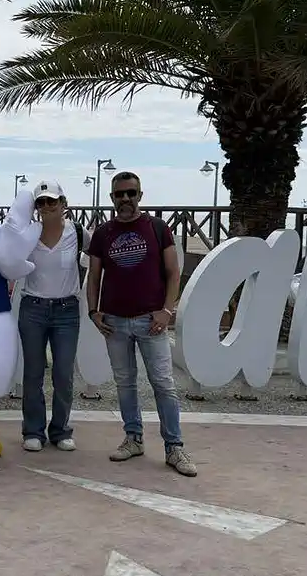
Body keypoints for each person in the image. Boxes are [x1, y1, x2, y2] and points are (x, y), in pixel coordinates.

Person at [86, 171, 197, 476]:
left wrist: (167, 311)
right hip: (115, 322)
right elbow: (94, 276)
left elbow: (173, 273)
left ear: (140, 196)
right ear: (112, 198)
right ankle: (133, 438)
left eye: (131, 193)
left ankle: (174, 447)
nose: (125, 199)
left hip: (152, 322)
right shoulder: (103, 233)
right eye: (119, 194)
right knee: (125, 383)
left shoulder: (157, 228)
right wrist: (93, 312)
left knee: (163, 384)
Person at [19, 180, 87, 453]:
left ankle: (60, 430)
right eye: (41, 202)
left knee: (63, 373)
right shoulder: (28, 234)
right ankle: (33, 430)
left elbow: (102, 256)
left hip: (66, 311)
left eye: (52, 201)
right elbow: (6, 258)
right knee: (33, 373)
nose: (47, 206)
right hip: (33, 309)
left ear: (63, 203)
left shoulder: (78, 232)